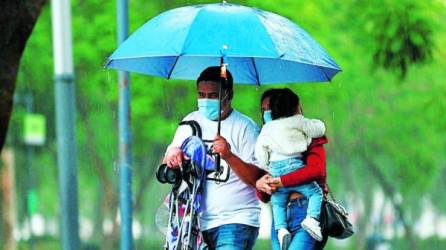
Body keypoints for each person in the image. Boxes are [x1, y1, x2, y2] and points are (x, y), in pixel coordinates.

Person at [163, 66, 265, 250]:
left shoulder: (246, 128)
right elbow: (168, 161)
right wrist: (172, 156)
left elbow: (257, 179)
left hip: (236, 220)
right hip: (195, 222)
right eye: (201, 95)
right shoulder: (190, 123)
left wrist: (229, 155)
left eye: (213, 96)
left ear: (229, 94)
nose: (206, 101)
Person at [256, 89, 329, 250]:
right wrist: (261, 184)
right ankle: (282, 230)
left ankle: (309, 221)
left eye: (270, 108)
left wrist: (281, 180)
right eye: (263, 110)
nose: (267, 113)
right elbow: (264, 195)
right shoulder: (268, 139)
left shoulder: (308, 136)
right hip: (279, 216)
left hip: (304, 208)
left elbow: (316, 171)